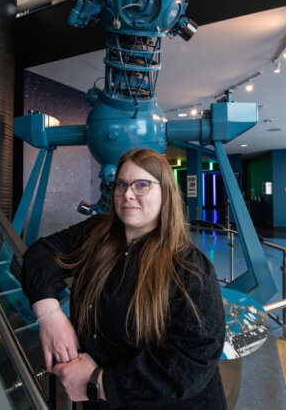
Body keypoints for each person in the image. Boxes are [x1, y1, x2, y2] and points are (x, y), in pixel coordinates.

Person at [22, 148, 227, 409]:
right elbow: (40, 254)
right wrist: (49, 316)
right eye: (121, 184)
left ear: (165, 193)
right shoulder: (96, 233)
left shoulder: (190, 268)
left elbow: (192, 363)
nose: (127, 194)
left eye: (142, 185)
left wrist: (99, 381)